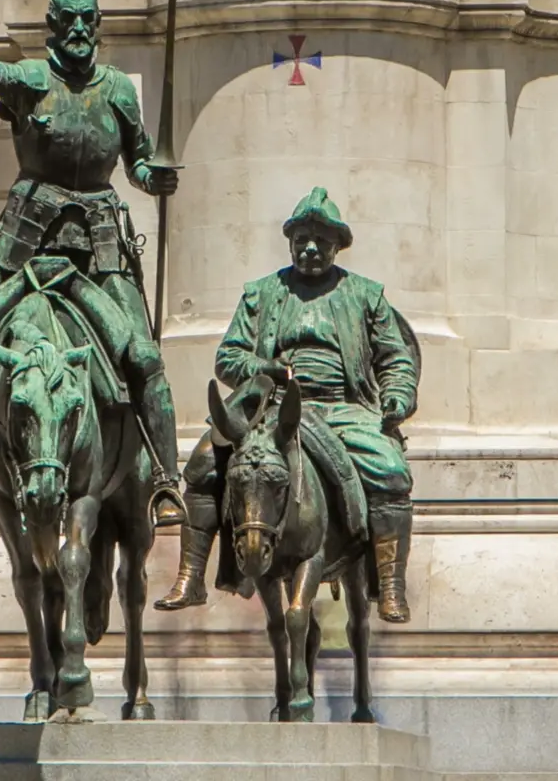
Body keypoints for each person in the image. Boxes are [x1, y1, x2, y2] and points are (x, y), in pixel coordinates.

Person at [0, 0, 186, 526]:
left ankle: (165, 480)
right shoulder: (31, 80)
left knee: (142, 355)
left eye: (89, 20)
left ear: (98, 29)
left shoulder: (118, 91)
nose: (80, 29)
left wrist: (150, 175)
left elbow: (135, 160)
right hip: (26, 245)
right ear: (52, 29)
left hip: (102, 246)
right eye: (69, 21)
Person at [158, 188, 420, 622]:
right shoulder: (261, 294)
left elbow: (396, 359)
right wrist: (267, 367)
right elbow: (228, 357)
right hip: (271, 407)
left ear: (339, 246)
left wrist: (397, 397)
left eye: (321, 242)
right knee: (205, 460)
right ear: (291, 243)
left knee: (390, 471)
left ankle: (390, 585)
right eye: (302, 241)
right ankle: (191, 577)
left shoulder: (367, 295)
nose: (311, 250)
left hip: (342, 408)